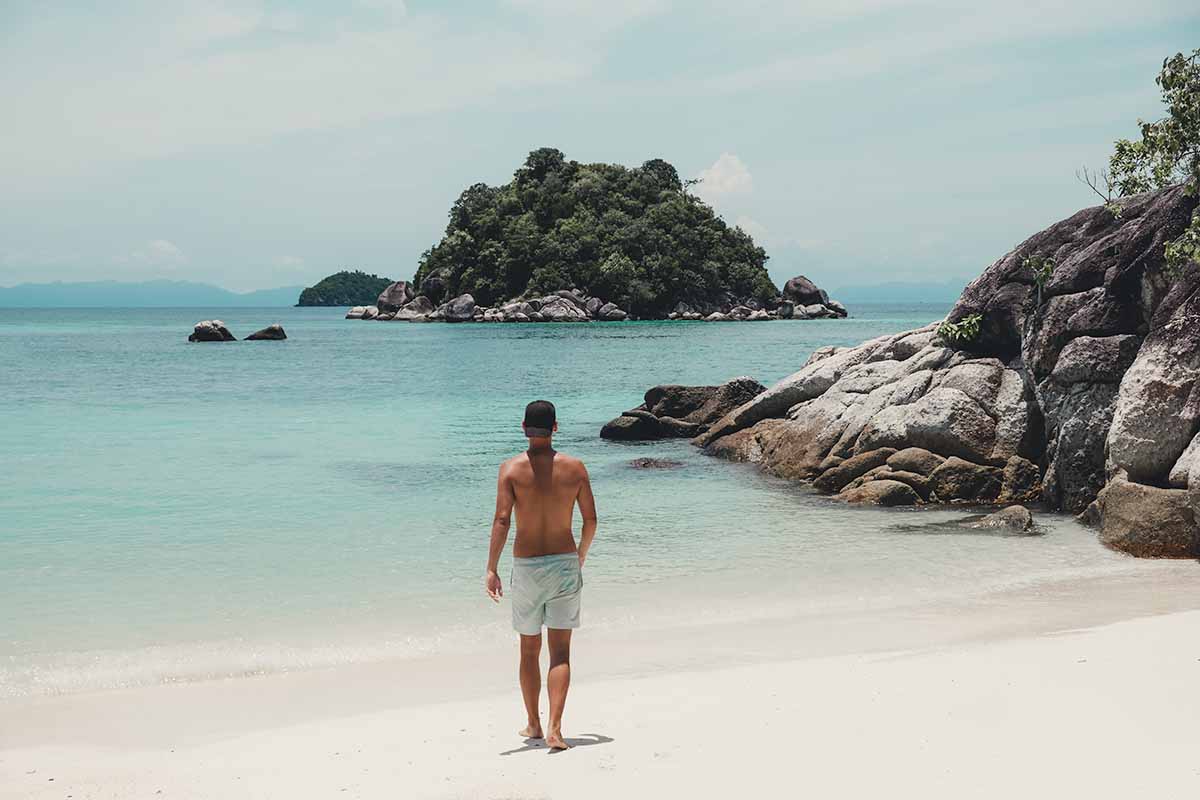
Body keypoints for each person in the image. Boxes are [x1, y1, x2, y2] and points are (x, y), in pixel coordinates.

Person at [485, 399, 597, 751]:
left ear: (523, 427)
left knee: (529, 649)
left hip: (528, 567)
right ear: (555, 428)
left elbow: (502, 520)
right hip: (564, 562)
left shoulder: (510, 469)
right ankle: (555, 728)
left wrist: (491, 567)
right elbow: (591, 520)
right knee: (560, 652)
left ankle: (532, 724)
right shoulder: (575, 468)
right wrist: (579, 554)